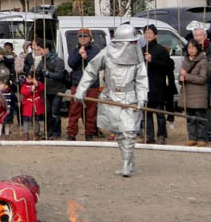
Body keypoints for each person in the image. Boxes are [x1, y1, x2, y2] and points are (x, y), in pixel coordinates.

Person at [73, 24, 148, 177]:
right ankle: (129, 158)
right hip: (111, 96)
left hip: (129, 98)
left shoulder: (137, 54)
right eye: (131, 42)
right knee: (119, 133)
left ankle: (127, 163)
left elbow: (141, 78)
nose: (134, 44)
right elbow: (90, 71)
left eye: (135, 41)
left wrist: (142, 97)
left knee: (129, 132)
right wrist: (81, 90)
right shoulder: (106, 53)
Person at [141, 24, 175, 144]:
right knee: (147, 113)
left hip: (159, 86)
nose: (147, 35)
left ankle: (162, 135)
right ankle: (149, 136)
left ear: (155, 35)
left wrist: (152, 61)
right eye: (146, 33)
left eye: (150, 33)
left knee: (160, 113)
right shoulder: (142, 49)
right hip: (145, 86)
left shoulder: (161, 50)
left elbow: (168, 67)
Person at [66, 28, 100, 140]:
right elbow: (71, 64)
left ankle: (90, 133)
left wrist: (86, 58)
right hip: (77, 83)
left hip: (92, 84)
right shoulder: (74, 50)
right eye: (80, 36)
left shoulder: (95, 50)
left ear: (89, 38)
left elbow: (97, 64)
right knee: (74, 109)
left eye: (85, 36)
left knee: (91, 110)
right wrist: (79, 55)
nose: (83, 38)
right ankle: (71, 133)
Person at [179, 39, 211, 146]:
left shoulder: (203, 61)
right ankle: (192, 137)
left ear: (197, 48)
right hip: (187, 93)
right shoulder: (185, 61)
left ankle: (202, 138)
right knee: (190, 118)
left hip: (199, 94)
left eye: (193, 47)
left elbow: (202, 79)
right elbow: (182, 76)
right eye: (189, 47)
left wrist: (186, 76)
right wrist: (181, 78)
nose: (191, 50)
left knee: (200, 118)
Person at [40, 41, 67, 139]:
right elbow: (38, 72)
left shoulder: (57, 60)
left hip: (57, 90)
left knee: (55, 112)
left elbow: (60, 75)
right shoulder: (42, 60)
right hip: (46, 90)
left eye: (41, 49)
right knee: (47, 111)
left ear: (47, 49)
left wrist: (48, 74)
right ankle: (48, 131)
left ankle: (56, 132)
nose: (40, 52)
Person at [19, 72, 44, 140]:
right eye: (28, 78)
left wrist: (36, 84)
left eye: (31, 78)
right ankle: (26, 133)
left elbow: (42, 88)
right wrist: (30, 90)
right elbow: (24, 92)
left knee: (36, 120)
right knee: (26, 121)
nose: (29, 80)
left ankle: (36, 133)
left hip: (36, 105)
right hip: (27, 106)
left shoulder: (37, 84)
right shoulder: (24, 86)